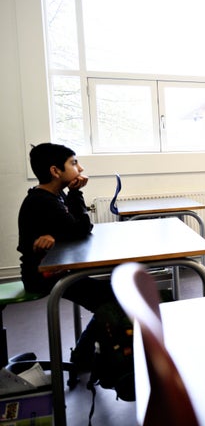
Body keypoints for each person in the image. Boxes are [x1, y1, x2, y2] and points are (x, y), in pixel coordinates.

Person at [17, 143, 127, 369]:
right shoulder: (43, 201)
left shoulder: (52, 197)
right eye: (74, 163)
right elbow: (81, 229)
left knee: (114, 294)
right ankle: (85, 355)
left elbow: (74, 228)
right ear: (55, 171)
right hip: (45, 277)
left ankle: (85, 353)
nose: (80, 168)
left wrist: (71, 199)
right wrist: (76, 192)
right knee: (116, 298)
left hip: (58, 270)